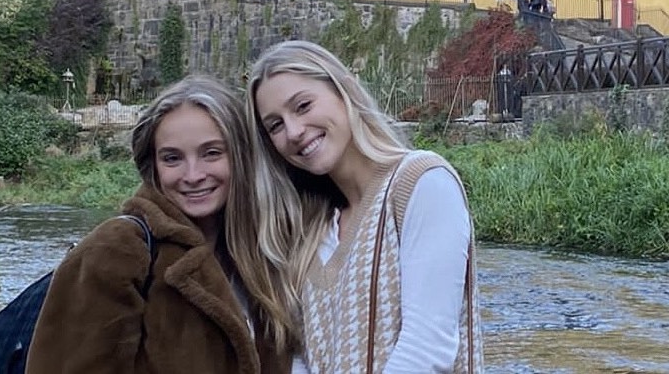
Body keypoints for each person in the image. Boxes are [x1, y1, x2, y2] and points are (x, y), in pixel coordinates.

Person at [26, 75, 293, 374]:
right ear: (153, 165)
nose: (193, 175)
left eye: (212, 153)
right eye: (172, 158)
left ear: (242, 156)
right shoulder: (116, 250)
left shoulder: (265, 252)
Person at [246, 41, 484, 374]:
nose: (294, 132)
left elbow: (428, 348)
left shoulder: (421, 182)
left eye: (302, 106)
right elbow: (302, 359)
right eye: (275, 125)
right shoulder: (310, 230)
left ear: (345, 91)